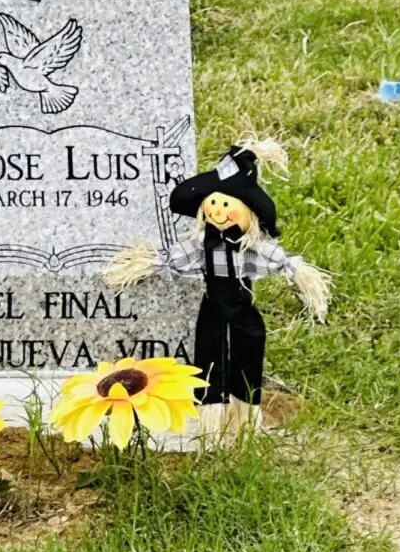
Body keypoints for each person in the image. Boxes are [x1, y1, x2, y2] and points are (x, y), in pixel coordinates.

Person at [103, 140, 330, 441]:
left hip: (241, 303)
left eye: (227, 205)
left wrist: (300, 273)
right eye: (213, 203)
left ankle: (244, 414)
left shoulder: (251, 247)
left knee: (248, 350)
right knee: (209, 353)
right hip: (213, 304)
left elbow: (278, 258)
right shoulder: (202, 244)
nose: (218, 211)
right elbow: (175, 257)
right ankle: (210, 414)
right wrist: (147, 263)